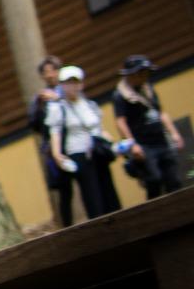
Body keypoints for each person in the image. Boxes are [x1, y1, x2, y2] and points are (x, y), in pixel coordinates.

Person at [43, 65, 120, 219]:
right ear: (62, 85)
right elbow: (55, 132)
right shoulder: (58, 108)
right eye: (68, 82)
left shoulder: (90, 105)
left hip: (98, 153)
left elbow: (98, 128)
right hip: (78, 154)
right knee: (92, 195)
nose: (73, 86)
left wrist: (110, 141)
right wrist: (57, 154)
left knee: (108, 191)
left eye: (76, 82)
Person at [112, 56, 184, 199]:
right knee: (154, 180)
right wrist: (132, 145)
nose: (145, 76)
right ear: (132, 74)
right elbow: (120, 121)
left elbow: (161, 112)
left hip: (161, 140)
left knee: (174, 180)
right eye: (142, 73)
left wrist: (174, 133)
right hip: (143, 144)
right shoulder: (120, 96)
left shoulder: (148, 88)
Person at [28, 56, 76, 227]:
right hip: (54, 147)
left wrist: (57, 99)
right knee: (64, 191)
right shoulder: (39, 99)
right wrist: (40, 106)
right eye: (45, 72)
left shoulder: (69, 91)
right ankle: (68, 226)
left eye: (52, 70)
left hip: (76, 141)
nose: (49, 75)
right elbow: (34, 124)